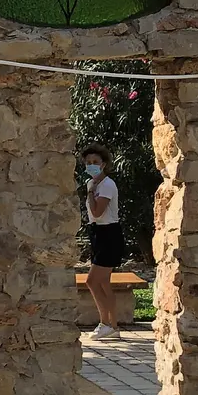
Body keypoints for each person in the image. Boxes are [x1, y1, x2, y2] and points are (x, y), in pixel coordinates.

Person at [81, 145, 126, 341]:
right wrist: (90, 189)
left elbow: (98, 211)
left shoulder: (106, 185)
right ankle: (113, 326)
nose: (92, 166)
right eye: (88, 163)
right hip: (97, 233)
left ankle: (104, 323)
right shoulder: (91, 183)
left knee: (91, 281)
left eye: (96, 163)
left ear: (104, 164)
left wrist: (90, 193)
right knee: (104, 283)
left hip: (108, 233)